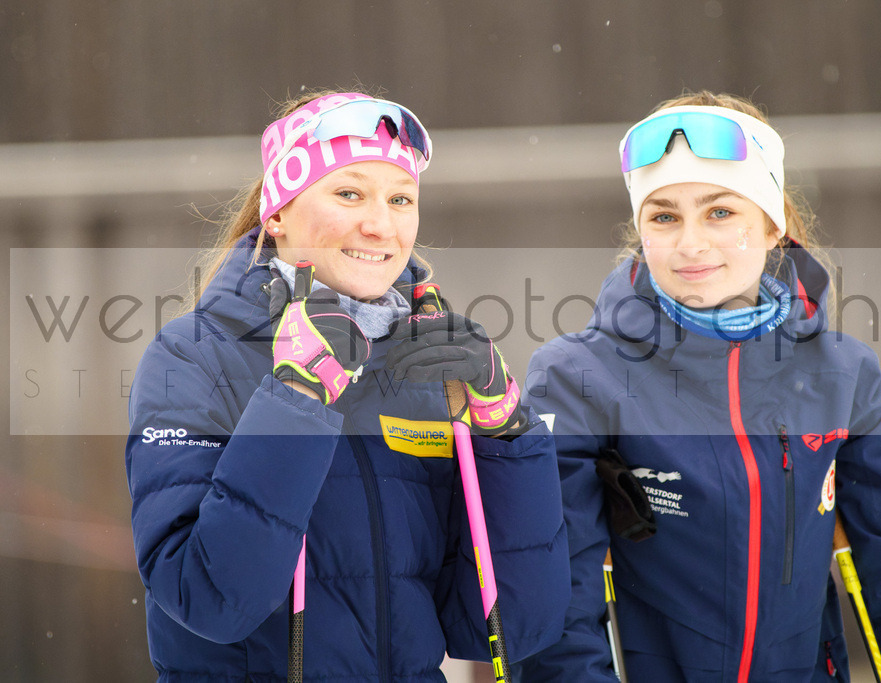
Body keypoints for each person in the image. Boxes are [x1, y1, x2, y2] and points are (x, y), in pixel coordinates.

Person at [513, 91, 881, 681]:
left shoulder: (842, 377)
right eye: (664, 216)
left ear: (770, 224)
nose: (690, 243)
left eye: (720, 212)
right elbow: (558, 602)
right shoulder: (577, 378)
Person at [125, 89, 569, 681]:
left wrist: (507, 431)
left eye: (401, 199)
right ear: (276, 214)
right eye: (349, 193)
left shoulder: (430, 366)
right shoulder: (192, 354)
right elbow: (209, 601)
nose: (379, 224)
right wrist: (296, 399)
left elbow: (510, 629)